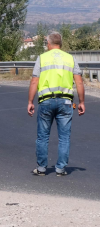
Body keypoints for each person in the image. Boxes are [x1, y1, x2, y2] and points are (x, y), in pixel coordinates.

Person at [28, 32, 85, 176]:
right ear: (60, 43)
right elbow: (79, 82)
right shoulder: (70, 58)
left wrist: (30, 101)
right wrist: (82, 102)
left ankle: (41, 168)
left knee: (43, 136)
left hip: (46, 101)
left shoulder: (42, 58)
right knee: (64, 137)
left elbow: (35, 81)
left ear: (48, 43)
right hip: (66, 102)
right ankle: (60, 169)